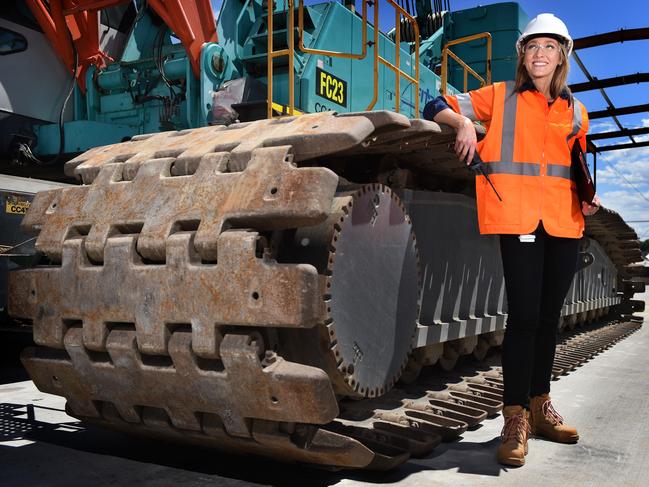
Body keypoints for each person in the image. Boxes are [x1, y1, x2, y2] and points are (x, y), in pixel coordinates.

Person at [423, 13, 601, 467]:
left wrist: (587, 198)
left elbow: (575, 166)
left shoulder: (578, 112)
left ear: (563, 55)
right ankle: (515, 417)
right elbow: (433, 101)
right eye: (532, 47)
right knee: (523, 318)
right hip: (519, 218)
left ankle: (541, 406)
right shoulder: (499, 96)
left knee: (547, 320)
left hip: (564, 223)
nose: (540, 54)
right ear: (522, 54)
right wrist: (461, 124)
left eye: (550, 47)